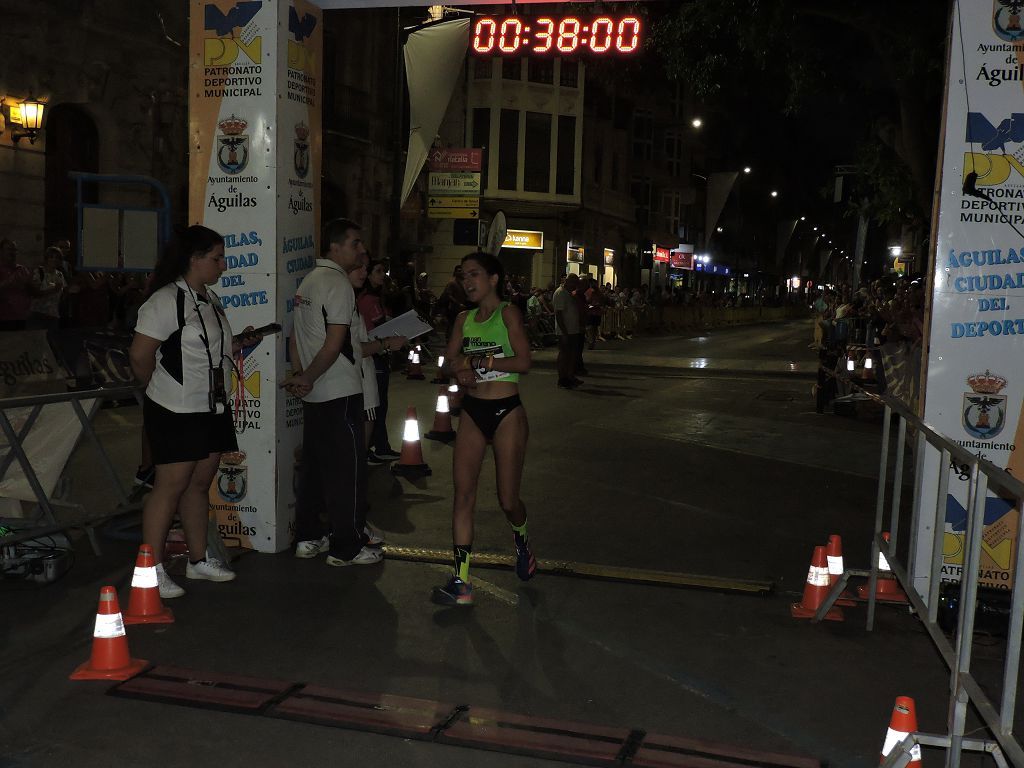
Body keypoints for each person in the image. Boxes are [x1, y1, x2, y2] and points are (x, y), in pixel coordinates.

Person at [129, 225, 260, 599]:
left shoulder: (210, 299)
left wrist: (238, 343)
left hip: (211, 405)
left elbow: (207, 348)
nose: (224, 265)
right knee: (169, 486)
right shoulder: (166, 300)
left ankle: (198, 559)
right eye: (216, 258)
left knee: (200, 483)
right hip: (175, 407)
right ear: (194, 259)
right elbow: (140, 356)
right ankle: (150, 571)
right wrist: (161, 388)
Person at [433, 251, 534, 606]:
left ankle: (521, 538)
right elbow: (447, 361)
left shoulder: (508, 312)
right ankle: (461, 581)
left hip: (507, 410)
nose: (467, 282)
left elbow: (524, 362)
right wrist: (457, 369)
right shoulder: (464, 318)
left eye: (474, 274)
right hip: (474, 410)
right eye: (463, 276)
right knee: (463, 495)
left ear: (493, 278)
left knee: (508, 500)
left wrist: (480, 360)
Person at [284, 218, 381, 566]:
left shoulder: (308, 282)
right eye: (355, 243)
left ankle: (308, 537)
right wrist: (307, 376)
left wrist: (301, 375)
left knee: (314, 470)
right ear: (335, 247)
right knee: (348, 473)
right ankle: (347, 547)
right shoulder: (338, 284)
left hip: (316, 393)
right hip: (338, 390)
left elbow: (296, 338)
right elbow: (335, 342)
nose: (362, 250)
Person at [348, 253, 406, 461]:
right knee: (373, 409)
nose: (364, 273)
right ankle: (376, 449)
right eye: (377, 271)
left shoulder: (363, 298)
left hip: (368, 360)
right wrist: (386, 343)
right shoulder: (364, 300)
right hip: (368, 361)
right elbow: (355, 345)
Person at [552, 273, 581, 388]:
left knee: (571, 354)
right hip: (566, 330)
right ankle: (563, 378)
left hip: (572, 330)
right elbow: (558, 314)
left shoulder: (568, 293)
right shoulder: (560, 293)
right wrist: (564, 332)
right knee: (564, 354)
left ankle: (569, 376)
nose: (576, 286)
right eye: (574, 283)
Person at [27, 247, 67, 330]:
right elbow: (35, 293)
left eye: (57, 257)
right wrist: (53, 290)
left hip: (53, 315)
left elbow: (62, 293)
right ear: (46, 258)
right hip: (38, 314)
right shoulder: (39, 272)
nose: (54, 260)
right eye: (51, 257)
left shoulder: (59, 275)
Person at [0, 239, 32, 331]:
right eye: (9, 249)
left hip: (21, 317)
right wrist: (9, 280)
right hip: (4, 318)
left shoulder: (22, 269)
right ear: (1, 251)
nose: (12, 252)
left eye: (14, 250)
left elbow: (31, 291)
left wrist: (30, 284)